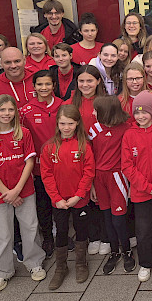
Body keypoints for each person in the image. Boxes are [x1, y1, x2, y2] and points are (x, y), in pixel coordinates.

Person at [0, 94, 46, 291]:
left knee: (30, 227)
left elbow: (29, 162)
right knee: (3, 234)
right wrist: (7, 192)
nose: (6, 113)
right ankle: (4, 271)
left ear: (15, 112)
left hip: (24, 190)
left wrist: (17, 190)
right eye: (2, 110)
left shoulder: (23, 133)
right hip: (0, 195)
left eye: (10, 109)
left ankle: (34, 263)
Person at [40, 105, 95, 289]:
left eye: (70, 123)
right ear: (57, 123)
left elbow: (89, 173)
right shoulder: (49, 147)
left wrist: (79, 196)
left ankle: (81, 263)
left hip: (79, 200)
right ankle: (61, 267)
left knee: (81, 230)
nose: (66, 127)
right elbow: (46, 175)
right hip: (59, 201)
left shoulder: (84, 145)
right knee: (62, 231)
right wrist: (56, 198)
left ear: (77, 123)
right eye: (62, 123)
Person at [121, 91, 152, 282]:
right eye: (137, 113)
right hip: (141, 192)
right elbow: (127, 165)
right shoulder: (129, 135)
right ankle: (145, 262)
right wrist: (146, 186)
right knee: (143, 229)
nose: (141, 116)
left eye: (145, 112)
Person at [19, 70, 64, 258]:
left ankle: (62, 236)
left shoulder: (63, 105)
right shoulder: (26, 111)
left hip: (63, 164)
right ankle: (47, 237)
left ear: (54, 85)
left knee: (60, 202)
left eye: (48, 84)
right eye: (40, 84)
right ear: (34, 87)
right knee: (43, 204)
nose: (44, 88)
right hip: (39, 168)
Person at [89, 96, 135, 275]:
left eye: (96, 110)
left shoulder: (126, 129)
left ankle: (127, 251)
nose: (93, 113)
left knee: (118, 218)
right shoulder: (94, 129)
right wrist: (92, 183)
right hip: (99, 177)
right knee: (106, 217)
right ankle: (114, 251)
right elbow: (90, 155)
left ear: (106, 112)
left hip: (117, 177)